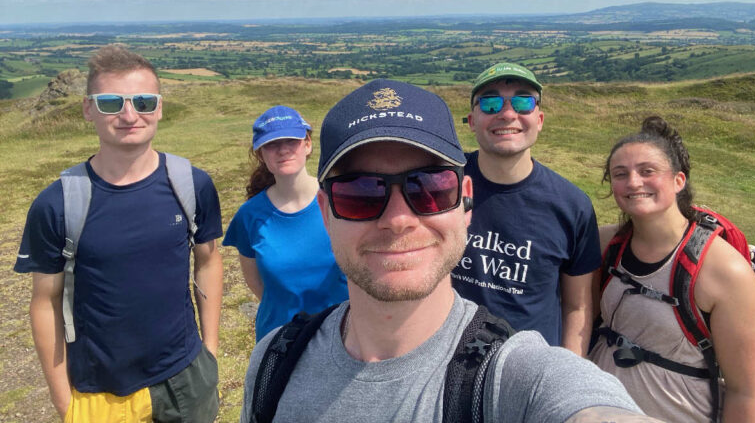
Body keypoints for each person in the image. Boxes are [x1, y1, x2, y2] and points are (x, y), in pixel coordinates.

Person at [239, 78, 662, 423]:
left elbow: (583, 402)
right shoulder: (275, 360)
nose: (398, 219)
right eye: (360, 192)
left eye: (430, 188)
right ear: (326, 213)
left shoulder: (519, 377)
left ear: (465, 203)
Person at [14, 44, 223, 423]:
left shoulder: (192, 185)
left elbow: (208, 262)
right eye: (111, 102)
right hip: (98, 393)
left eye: (143, 101)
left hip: (187, 380)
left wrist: (209, 350)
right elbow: (45, 302)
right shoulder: (57, 203)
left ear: (158, 107)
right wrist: (64, 402)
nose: (130, 115)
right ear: (88, 108)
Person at [589, 116, 755, 423]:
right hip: (599, 410)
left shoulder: (724, 271)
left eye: (648, 171)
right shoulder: (605, 243)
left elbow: (746, 394)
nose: (633, 182)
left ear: (678, 181)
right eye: (620, 174)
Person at [452, 62, 600, 355]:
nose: (507, 114)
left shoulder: (572, 206)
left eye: (523, 101)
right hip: (443, 359)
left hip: (527, 371)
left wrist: (566, 373)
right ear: (471, 120)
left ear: (540, 119)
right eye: (490, 102)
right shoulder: (442, 184)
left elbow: (578, 307)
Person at [223, 105, 348, 341]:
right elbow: (257, 284)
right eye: (271, 144)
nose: (283, 150)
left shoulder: (340, 200)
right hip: (279, 340)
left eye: (292, 140)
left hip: (342, 337)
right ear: (260, 154)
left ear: (308, 144)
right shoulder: (249, 215)